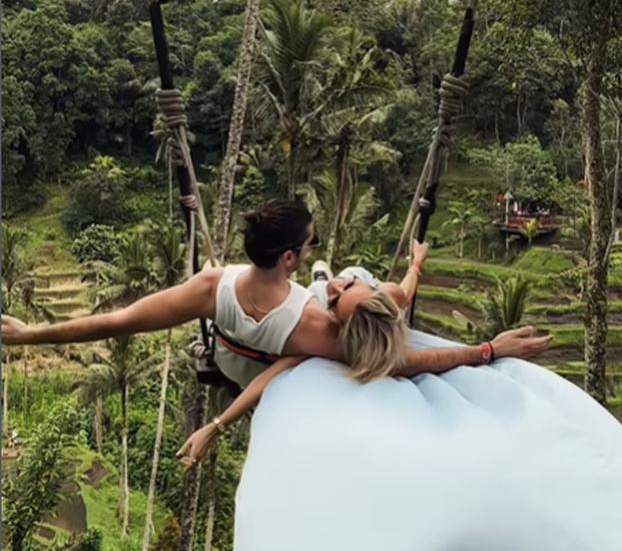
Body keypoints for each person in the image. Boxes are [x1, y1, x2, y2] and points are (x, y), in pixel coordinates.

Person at [1, 199, 549, 389]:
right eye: (308, 244)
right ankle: (388, 273)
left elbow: (116, 322)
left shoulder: (208, 286)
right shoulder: (316, 327)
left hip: (228, 354)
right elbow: (403, 362)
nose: (311, 247)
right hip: (267, 357)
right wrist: (488, 350)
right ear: (289, 257)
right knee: (371, 287)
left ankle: (379, 277)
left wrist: (30, 335)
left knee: (360, 285)